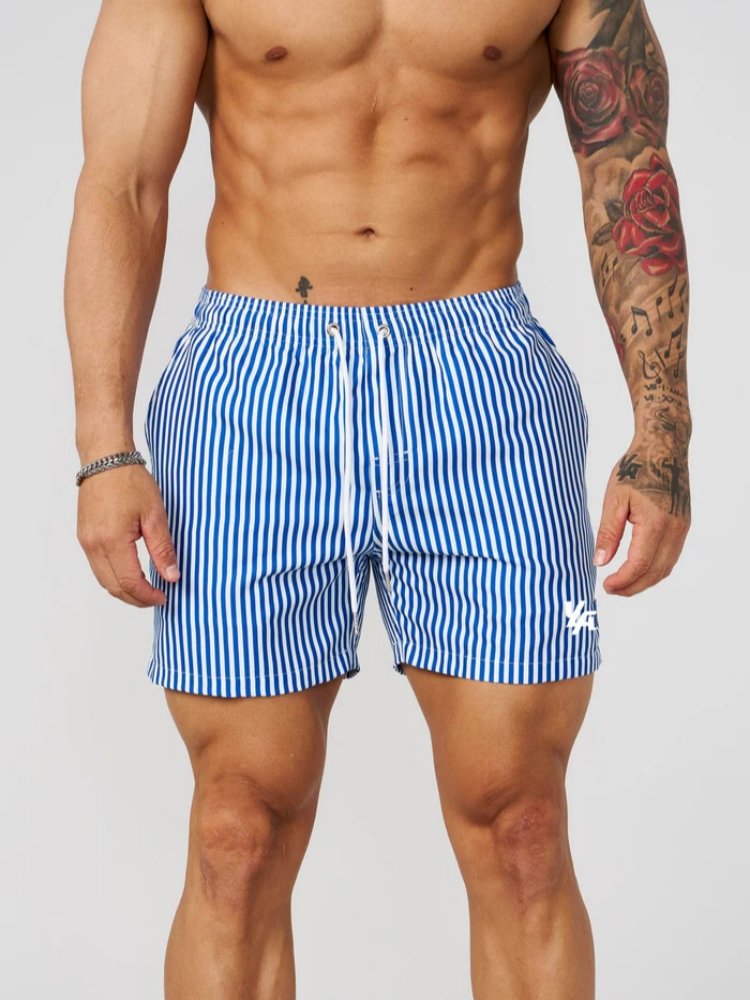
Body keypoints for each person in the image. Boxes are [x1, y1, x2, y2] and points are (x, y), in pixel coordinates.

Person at [64, 0, 692, 996]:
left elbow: (626, 163)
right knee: (238, 830)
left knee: (523, 823)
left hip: (483, 384)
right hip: (254, 389)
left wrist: (662, 435)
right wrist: (104, 446)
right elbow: (123, 182)